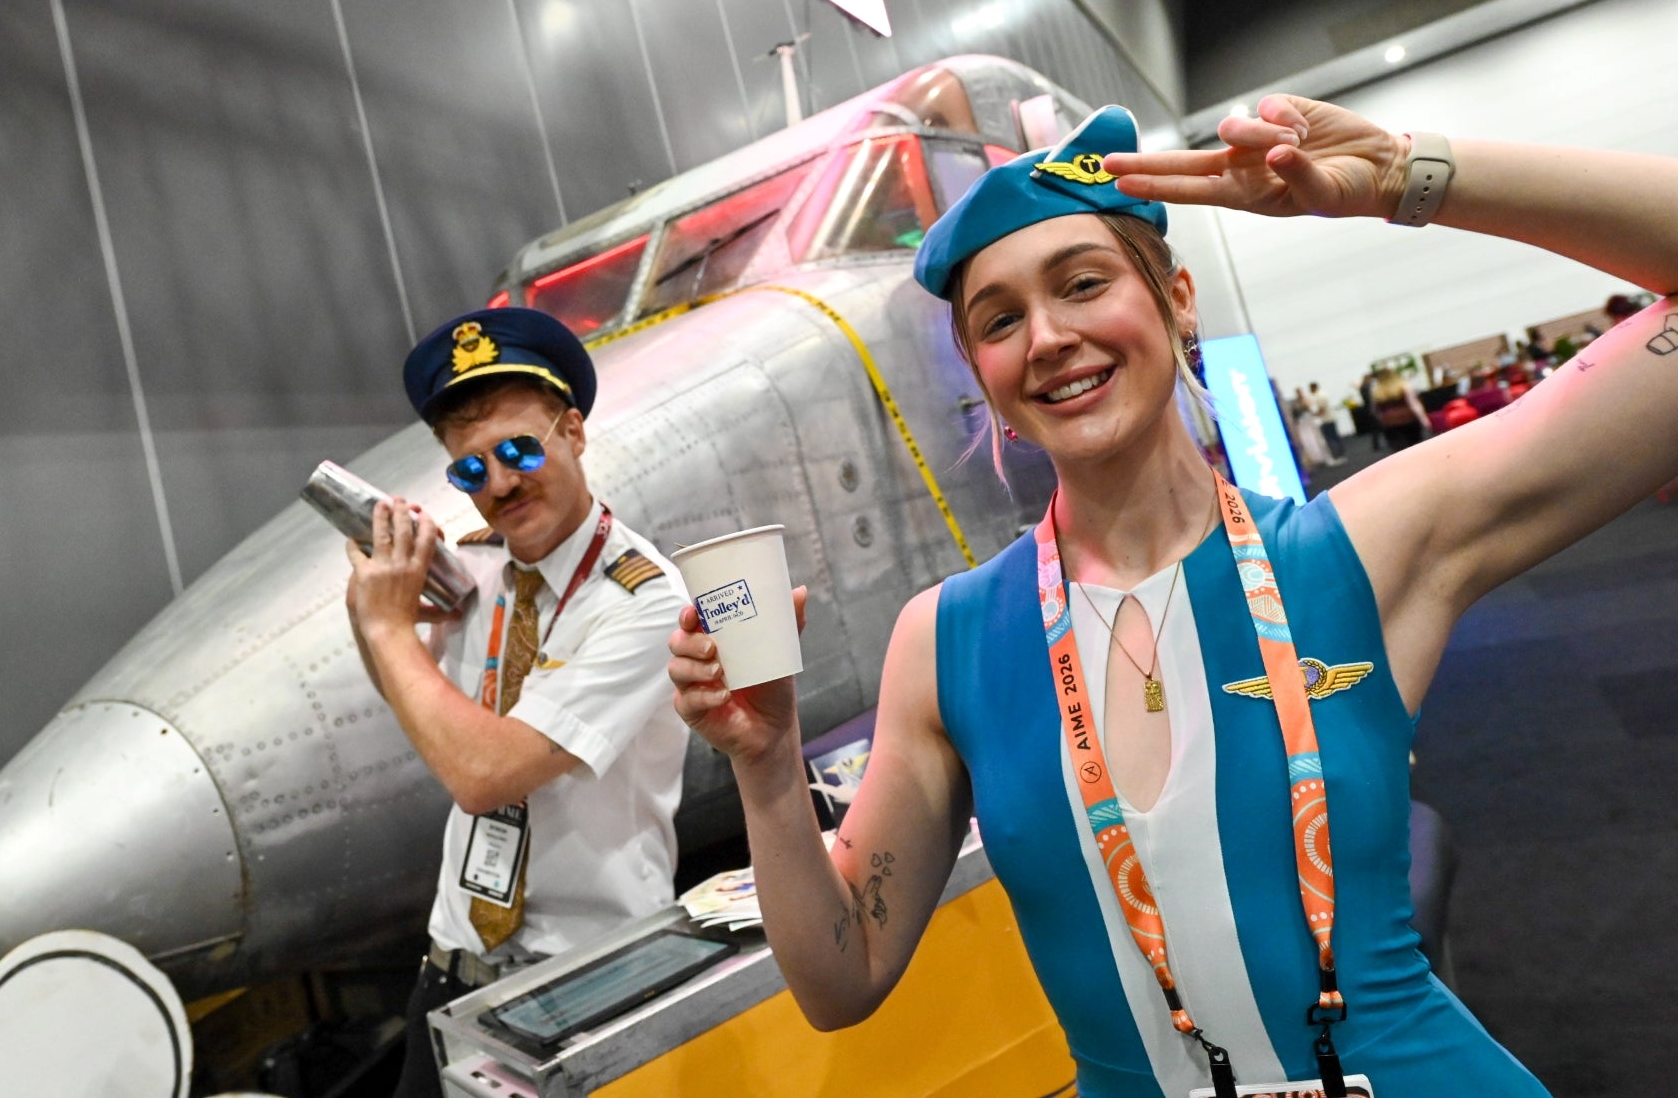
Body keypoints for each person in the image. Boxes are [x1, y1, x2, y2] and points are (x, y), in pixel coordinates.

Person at [668, 95, 1678, 1095]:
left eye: (1083, 283)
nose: (1050, 335)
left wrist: (1401, 176)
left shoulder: (1358, 551)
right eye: (1001, 319)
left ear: (1177, 298)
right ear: (982, 377)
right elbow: (840, 978)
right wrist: (762, 769)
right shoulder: (949, 642)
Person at [344, 306, 689, 1097]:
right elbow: (423, 710)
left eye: (518, 450)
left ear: (573, 431)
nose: (499, 484)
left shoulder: (640, 599)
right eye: (471, 469)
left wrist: (391, 630)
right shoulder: (476, 572)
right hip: (454, 972)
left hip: (592, 981)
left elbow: (486, 774)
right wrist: (373, 611)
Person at [1369, 367, 1428, 450]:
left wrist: (1382, 420)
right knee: (1416, 446)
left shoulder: (1377, 392)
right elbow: (1414, 404)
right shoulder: (1404, 387)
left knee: (1399, 449)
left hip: (1390, 423)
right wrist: (1423, 419)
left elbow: (1375, 410)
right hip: (1409, 420)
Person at [1306, 381, 1346, 461]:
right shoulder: (1323, 394)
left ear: (1313, 387)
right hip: (1330, 418)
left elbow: (1322, 409)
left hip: (1326, 420)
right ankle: (1340, 453)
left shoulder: (1319, 396)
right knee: (1335, 437)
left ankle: (1336, 455)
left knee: (1330, 438)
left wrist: (1314, 415)